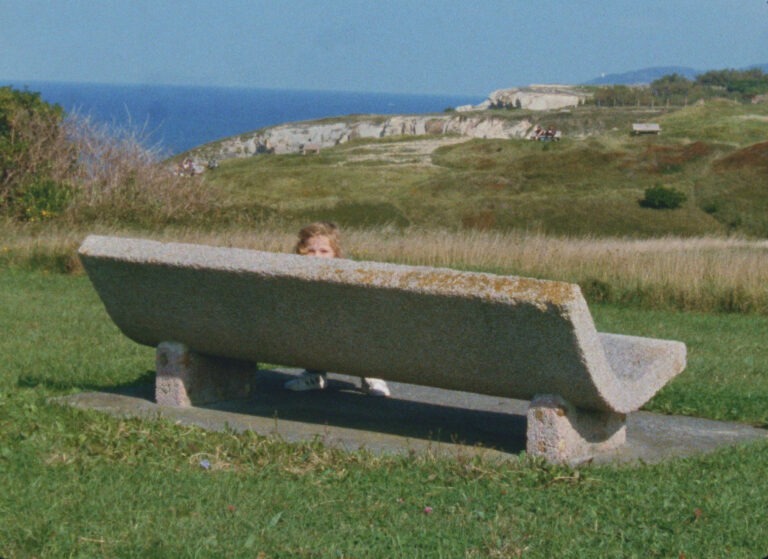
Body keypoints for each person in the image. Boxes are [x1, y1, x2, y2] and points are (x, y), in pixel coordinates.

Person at [284, 221, 391, 397]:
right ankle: (370, 374)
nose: (317, 256)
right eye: (311, 251)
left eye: (324, 251)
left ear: (336, 255)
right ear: (301, 252)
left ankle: (315, 373)